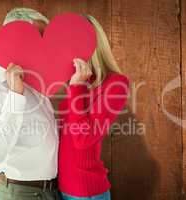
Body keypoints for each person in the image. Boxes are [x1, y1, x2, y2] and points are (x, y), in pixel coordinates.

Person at [0, 8, 59, 200]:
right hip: (22, 194)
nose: (45, 48)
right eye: (39, 38)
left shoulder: (35, 81)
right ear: (15, 37)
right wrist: (15, 95)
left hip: (51, 192)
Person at [57, 14, 130, 200]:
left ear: (93, 44)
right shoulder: (76, 80)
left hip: (86, 192)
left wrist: (76, 88)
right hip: (61, 187)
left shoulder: (116, 84)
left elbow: (83, 138)